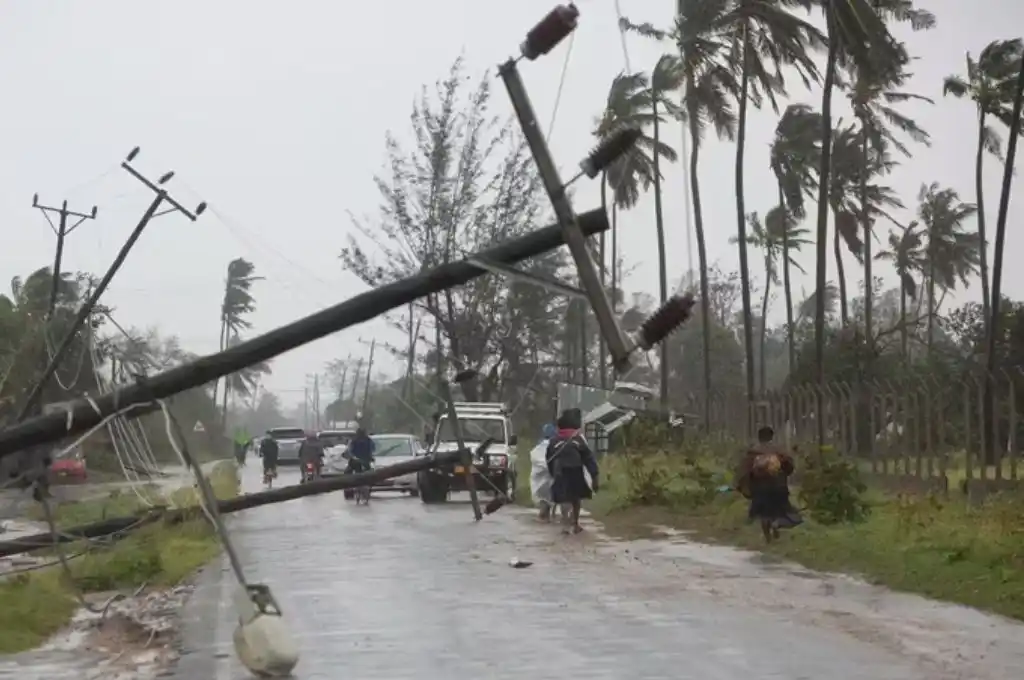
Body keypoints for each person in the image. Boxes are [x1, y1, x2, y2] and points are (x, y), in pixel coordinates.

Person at [735, 425, 799, 543]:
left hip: (761, 489)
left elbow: (743, 472)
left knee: (764, 515)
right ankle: (776, 524)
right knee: (782, 511)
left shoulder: (753, 453)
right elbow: (789, 468)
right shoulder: (779, 451)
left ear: (759, 437)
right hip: (779, 488)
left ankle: (768, 538)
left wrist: (742, 487)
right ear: (771, 436)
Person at [546, 409, 599, 535]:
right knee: (576, 498)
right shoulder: (578, 439)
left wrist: (552, 473)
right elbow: (589, 459)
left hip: (560, 472)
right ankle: (575, 523)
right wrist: (595, 476)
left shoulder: (554, 441)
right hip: (576, 471)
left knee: (564, 498)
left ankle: (565, 524)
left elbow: (549, 459)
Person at [530, 423, 558, 521]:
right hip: (550, 477)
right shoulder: (556, 446)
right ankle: (548, 515)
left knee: (543, 499)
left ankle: (545, 515)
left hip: (539, 479)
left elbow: (535, 459)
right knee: (549, 497)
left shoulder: (538, 447)